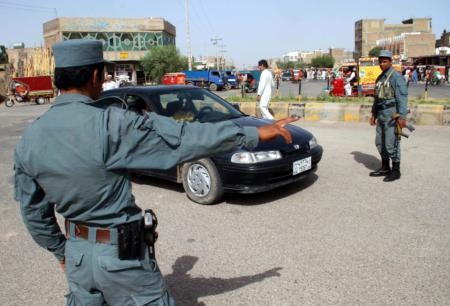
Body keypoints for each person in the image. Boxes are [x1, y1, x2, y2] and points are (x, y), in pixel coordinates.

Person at [13, 39, 297, 305]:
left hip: (77, 258)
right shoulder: (112, 124)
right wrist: (251, 134)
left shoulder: (30, 138)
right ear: (96, 76)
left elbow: (34, 214)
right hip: (121, 259)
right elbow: (185, 137)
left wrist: (63, 252)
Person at [369, 50, 408, 182]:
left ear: (390, 62)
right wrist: (373, 114)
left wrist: (402, 117)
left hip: (392, 115)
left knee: (392, 144)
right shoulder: (380, 78)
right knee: (380, 142)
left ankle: (396, 170)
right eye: (380, 61)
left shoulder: (396, 77)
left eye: (384, 61)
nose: (382, 64)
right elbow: (376, 98)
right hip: (381, 115)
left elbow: (402, 98)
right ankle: (385, 167)